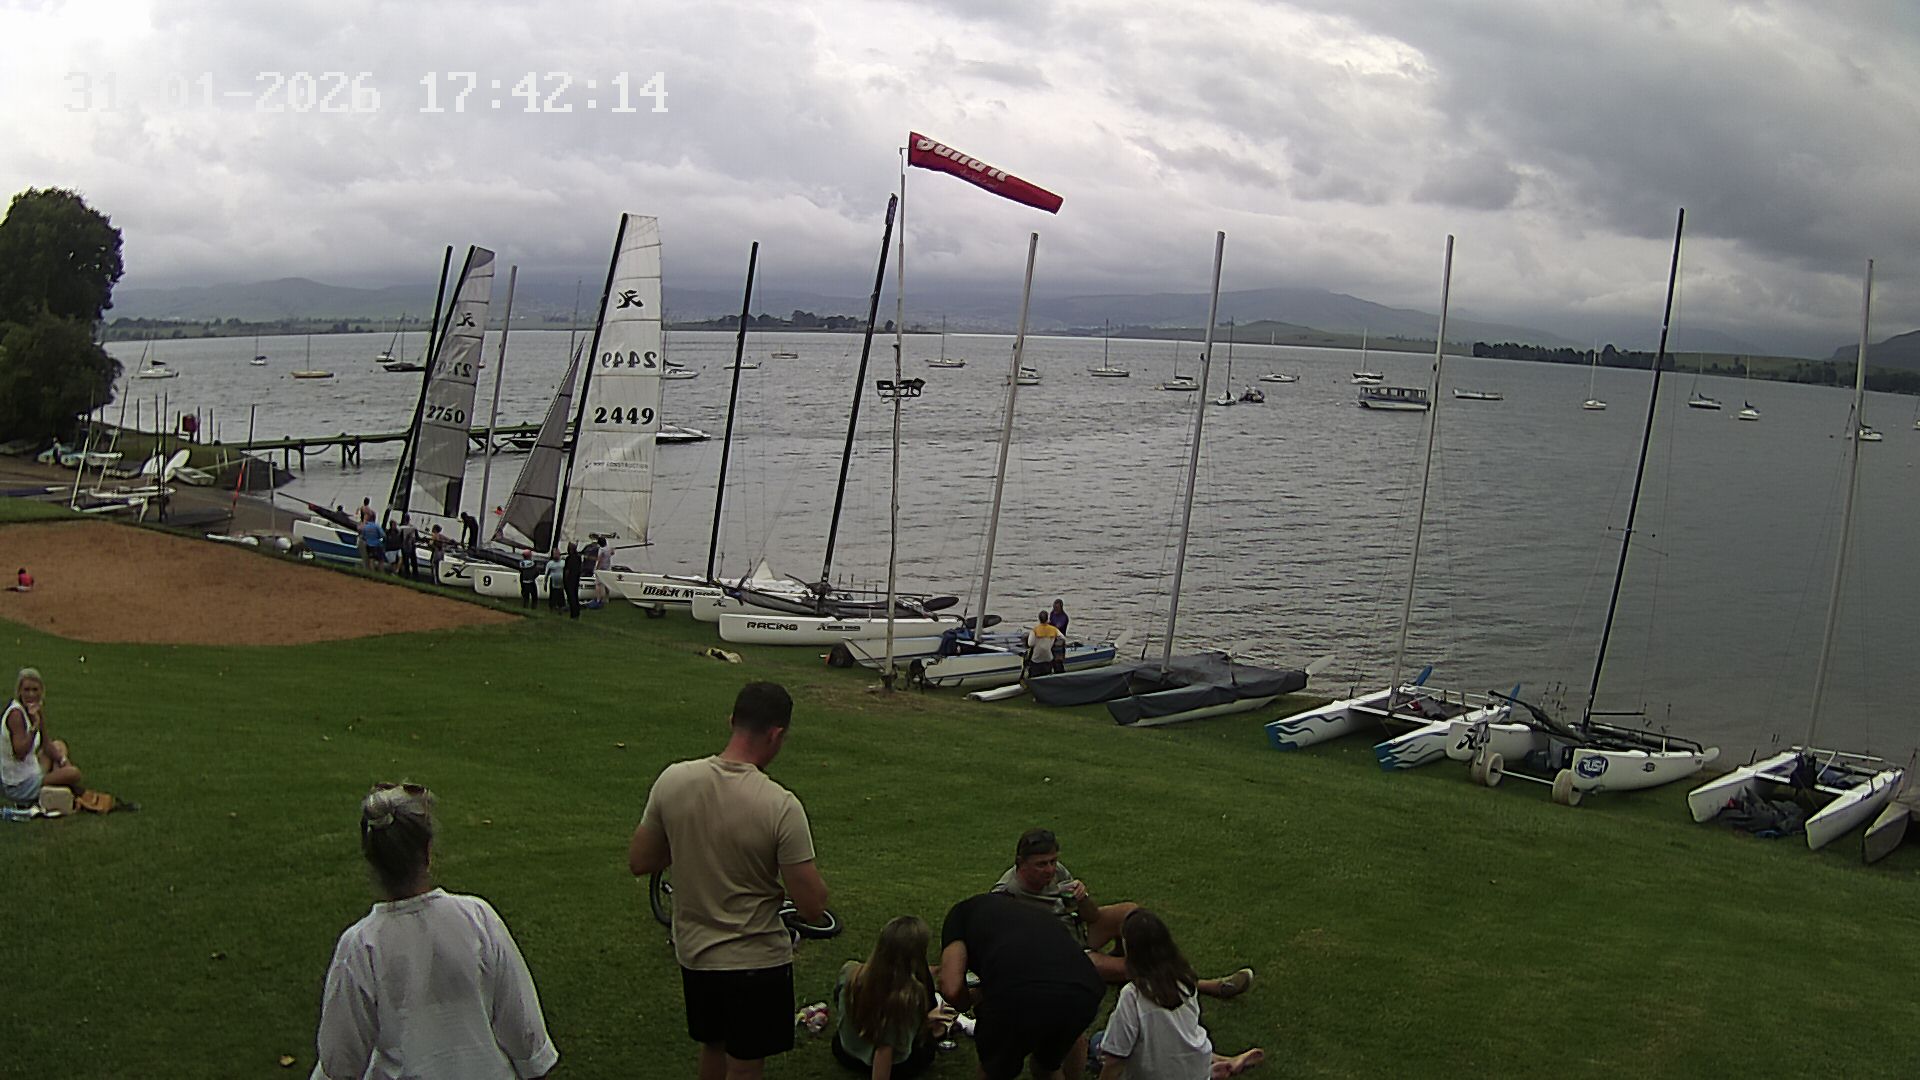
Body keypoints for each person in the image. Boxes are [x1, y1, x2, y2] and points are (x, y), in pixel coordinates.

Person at [628, 681, 828, 1080]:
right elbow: (811, 906)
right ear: (776, 735)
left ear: (732, 720)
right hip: (755, 961)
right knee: (745, 1065)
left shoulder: (674, 780)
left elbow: (640, 860)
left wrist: (691, 842)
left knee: (713, 1046)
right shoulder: (780, 806)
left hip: (696, 955)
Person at [312, 782, 558, 1080]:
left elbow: (340, 1062)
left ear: (372, 860)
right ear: (427, 853)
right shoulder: (477, 918)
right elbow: (526, 1037)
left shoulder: (361, 946)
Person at [992, 829, 1251, 1000]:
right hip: (1061, 954)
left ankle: (1121, 958)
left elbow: (1092, 917)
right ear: (1021, 863)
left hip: (1076, 930)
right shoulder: (1006, 894)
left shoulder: (1057, 872)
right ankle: (1205, 985)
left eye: (1052, 861)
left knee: (1131, 914)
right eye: (1041, 865)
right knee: (1134, 966)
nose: (1050, 870)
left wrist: (1083, 898)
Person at [939, 891, 1106, 1080]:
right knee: (1047, 1065)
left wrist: (969, 1002)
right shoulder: (1038, 915)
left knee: (995, 1072)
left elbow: (951, 988)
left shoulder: (961, 914)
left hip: (1020, 994)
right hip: (1085, 989)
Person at [1095, 910, 1265, 1080]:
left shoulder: (1132, 996)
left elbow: (1115, 1059)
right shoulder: (1184, 980)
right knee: (1176, 1039)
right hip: (1196, 1069)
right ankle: (1217, 1063)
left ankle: (1216, 1064)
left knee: (1099, 1041)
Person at [832, 915, 951, 1079]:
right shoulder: (908, 997)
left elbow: (838, 1000)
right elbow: (884, 1050)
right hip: (885, 1066)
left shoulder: (850, 971)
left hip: (845, 1050)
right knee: (930, 1041)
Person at [2, 668, 84, 805]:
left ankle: (57, 787)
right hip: (19, 784)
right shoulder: (16, 715)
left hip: (32, 769)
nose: (31, 694)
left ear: (41, 691)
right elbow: (20, 753)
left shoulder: (35, 710)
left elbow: (46, 743)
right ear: (19, 692)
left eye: (35, 690)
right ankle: (60, 787)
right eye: (26, 690)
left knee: (59, 746)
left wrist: (63, 761)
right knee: (74, 773)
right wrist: (34, 727)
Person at [1026, 610, 1064, 678]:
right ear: (1047, 619)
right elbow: (1062, 638)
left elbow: (1030, 644)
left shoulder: (1035, 630)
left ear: (1039, 619)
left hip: (1036, 659)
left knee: (1034, 676)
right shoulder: (1054, 629)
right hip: (1048, 658)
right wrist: (1054, 643)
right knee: (1047, 675)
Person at [562, 542, 583, 619]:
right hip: (576, 579)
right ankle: (577, 612)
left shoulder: (569, 558)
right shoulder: (578, 557)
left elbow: (567, 570)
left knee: (571, 597)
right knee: (575, 595)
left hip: (569, 580)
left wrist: (565, 579)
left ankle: (573, 614)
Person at [397, 515, 421, 580]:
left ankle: (407, 574)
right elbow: (417, 537)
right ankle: (415, 575)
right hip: (411, 545)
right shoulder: (413, 527)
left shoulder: (401, 528)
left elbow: (399, 537)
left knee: (406, 561)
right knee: (413, 561)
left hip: (405, 546)